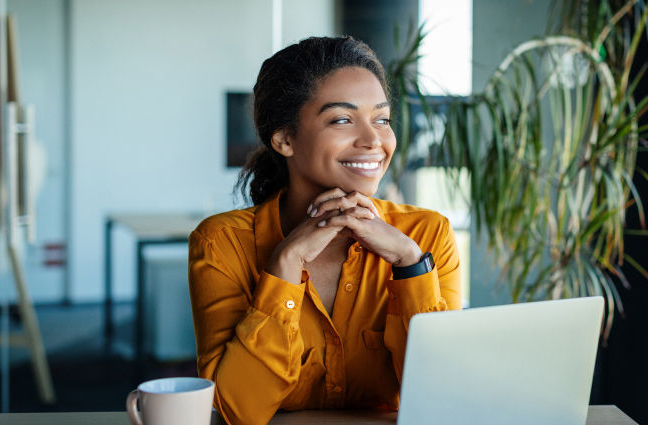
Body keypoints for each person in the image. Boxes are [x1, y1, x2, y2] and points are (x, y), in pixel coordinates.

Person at [188, 36, 461, 425]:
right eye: (342, 119)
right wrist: (284, 265)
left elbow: (445, 398)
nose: (373, 141)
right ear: (284, 139)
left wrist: (409, 265)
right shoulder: (221, 242)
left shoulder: (426, 236)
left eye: (381, 119)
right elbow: (236, 411)